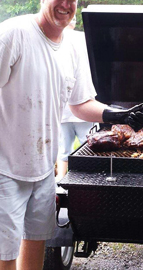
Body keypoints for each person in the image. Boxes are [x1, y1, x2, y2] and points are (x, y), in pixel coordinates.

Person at [0, 0, 143, 269]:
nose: (65, 3)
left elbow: (81, 104)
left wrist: (115, 114)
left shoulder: (71, 47)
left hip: (42, 169)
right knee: (3, 254)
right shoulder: (13, 34)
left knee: (35, 242)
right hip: (3, 168)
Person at [56, 16, 95, 180]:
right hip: (79, 109)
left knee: (64, 149)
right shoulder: (82, 38)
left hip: (77, 108)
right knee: (90, 148)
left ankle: (62, 179)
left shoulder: (76, 39)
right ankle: (88, 177)